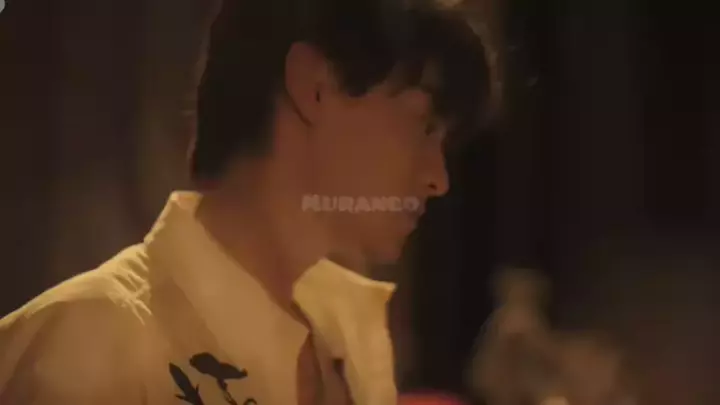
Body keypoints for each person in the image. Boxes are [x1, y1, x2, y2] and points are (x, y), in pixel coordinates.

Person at [0, 0, 491, 404]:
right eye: (423, 125)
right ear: (315, 87)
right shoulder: (96, 344)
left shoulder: (349, 344)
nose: (438, 178)